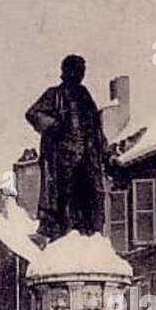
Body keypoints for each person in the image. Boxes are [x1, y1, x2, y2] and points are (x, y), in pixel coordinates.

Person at [25, 54, 109, 242]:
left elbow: (96, 128)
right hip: (63, 157)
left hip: (87, 156)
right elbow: (33, 113)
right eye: (77, 70)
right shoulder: (54, 94)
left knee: (90, 195)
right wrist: (54, 125)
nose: (80, 75)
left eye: (82, 71)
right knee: (65, 196)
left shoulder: (85, 96)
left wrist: (104, 150)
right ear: (66, 72)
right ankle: (67, 232)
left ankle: (87, 232)